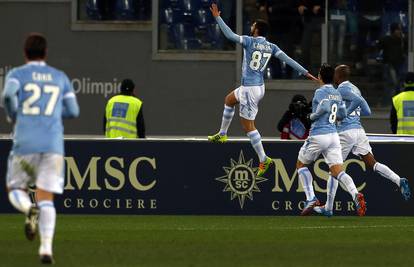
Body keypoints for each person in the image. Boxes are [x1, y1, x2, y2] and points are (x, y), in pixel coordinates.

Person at [207, 3, 317, 177]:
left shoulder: (249, 41)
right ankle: (222, 133)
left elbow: (229, 35)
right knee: (229, 100)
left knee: (248, 126)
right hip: (255, 86)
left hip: (250, 89)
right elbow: (288, 60)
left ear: (257, 30)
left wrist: (217, 17)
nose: (251, 27)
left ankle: (263, 158)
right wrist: (306, 73)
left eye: (253, 26)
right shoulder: (272, 46)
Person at [1, 33, 80, 264]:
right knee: (47, 198)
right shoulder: (60, 77)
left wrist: (13, 113)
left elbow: (7, 95)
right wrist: (54, 113)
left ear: (25, 53)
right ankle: (46, 249)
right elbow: (74, 111)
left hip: (26, 141)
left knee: (15, 187)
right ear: (45, 53)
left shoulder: (18, 74)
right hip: (53, 144)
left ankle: (28, 210)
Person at [314, 65, 411, 217]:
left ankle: (331, 206)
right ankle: (399, 180)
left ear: (338, 77)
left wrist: (344, 114)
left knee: (334, 170)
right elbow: (367, 110)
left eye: (335, 74)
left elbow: (352, 103)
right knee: (373, 163)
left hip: (345, 133)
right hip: (359, 131)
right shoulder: (356, 89)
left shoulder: (342, 90)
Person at [296, 64, 366, 216]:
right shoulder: (337, 93)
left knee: (300, 165)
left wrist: (311, 116)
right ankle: (355, 194)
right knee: (337, 171)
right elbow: (341, 114)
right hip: (333, 136)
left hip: (318, 134)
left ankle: (311, 198)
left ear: (320, 76)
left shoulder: (320, 92)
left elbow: (325, 106)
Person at [378, 22, 407, 105]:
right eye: (398, 30)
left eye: (400, 30)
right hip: (390, 65)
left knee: (397, 84)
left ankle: (394, 102)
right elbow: (379, 46)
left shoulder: (402, 40)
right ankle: (387, 102)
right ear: (393, 31)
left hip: (399, 65)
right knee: (392, 83)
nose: (400, 32)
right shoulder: (386, 39)